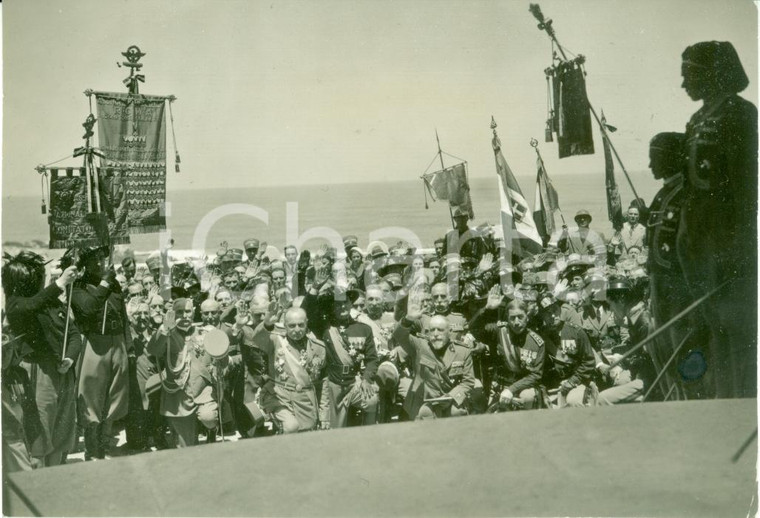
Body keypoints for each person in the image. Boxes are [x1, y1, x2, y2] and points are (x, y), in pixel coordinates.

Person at [676, 40, 757, 398]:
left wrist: (738, 252)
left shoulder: (741, 114)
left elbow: (747, 189)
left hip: (728, 248)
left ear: (710, 73)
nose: (683, 84)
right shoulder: (696, 120)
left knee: (737, 336)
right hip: (700, 249)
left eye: (688, 74)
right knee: (712, 332)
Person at [3, 252, 82, 467]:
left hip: (61, 372)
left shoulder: (50, 303)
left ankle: (55, 476)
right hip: (38, 375)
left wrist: (70, 358)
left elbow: (73, 334)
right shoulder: (16, 304)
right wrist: (60, 283)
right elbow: (33, 305)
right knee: (41, 432)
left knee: (61, 431)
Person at [66, 246, 130, 460]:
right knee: (91, 395)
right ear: (83, 264)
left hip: (117, 340)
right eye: (92, 259)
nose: (99, 262)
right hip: (94, 342)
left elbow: (123, 315)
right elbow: (88, 309)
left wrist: (127, 344)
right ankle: (92, 448)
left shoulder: (113, 283)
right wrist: (104, 283)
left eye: (100, 258)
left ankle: (105, 443)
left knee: (115, 394)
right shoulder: (77, 286)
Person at [302, 267, 379, 429]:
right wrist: (315, 287)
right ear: (332, 307)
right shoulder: (324, 327)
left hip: (354, 383)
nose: (342, 307)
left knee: (372, 400)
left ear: (351, 303)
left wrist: (366, 379)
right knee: (335, 429)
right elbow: (305, 311)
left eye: (345, 303)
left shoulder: (364, 329)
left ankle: (370, 433)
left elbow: (372, 359)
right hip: (333, 384)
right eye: (338, 304)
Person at [147, 298, 219, 447]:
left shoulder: (204, 333)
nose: (184, 315)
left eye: (187, 311)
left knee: (208, 417)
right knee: (186, 447)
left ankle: (211, 429)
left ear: (193, 313)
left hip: (202, 392)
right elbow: (153, 350)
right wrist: (163, 329)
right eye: (180, 312)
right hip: (178, 395)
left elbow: (219, 357)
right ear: (173, 314)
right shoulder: (167, 334)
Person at [393, 298, 475, 420]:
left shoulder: (462, 351)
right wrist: (408, 319)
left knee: (456, 414)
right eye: (432, 330)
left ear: (450, 332)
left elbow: (467, 382)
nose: (436, 334)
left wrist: (451, 397)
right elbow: (399, 335)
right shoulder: (420, 346)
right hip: (423, 402)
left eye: (440, 330)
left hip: (449, 402)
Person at [250, 306, 326, 433]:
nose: (297, 330)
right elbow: (257, 338)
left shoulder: (318, 347)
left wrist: (324, 414)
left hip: (305, 399)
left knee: (306, 433)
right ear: (285, 325)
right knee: (291, 426)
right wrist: (267, 324)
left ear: (307, 323)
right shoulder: (275, 340)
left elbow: (323, 382)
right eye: (292, 326)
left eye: (301, 325)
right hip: (279, 395)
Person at [469, 288, 545, 411]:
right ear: (507, 318)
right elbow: (473, 328)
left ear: (527, 317)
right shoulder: (499, 331)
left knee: (527, 397)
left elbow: (536, 375)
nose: (516, 322)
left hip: (523, 388)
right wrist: (487, 308)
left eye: (520, 317)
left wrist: (511, 390)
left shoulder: (537, 342)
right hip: (500, 386)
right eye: (512, 318)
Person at [537, 293, 596, 408]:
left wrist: (572, 382)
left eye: (555, 310)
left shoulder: (576, 332)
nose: (553, 316)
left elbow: (588, 362)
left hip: (577, 382)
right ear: (542, 316)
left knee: (573, 401)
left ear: (560, 310)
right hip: (552, 385)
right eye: (547, 313)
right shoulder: (540, 337)